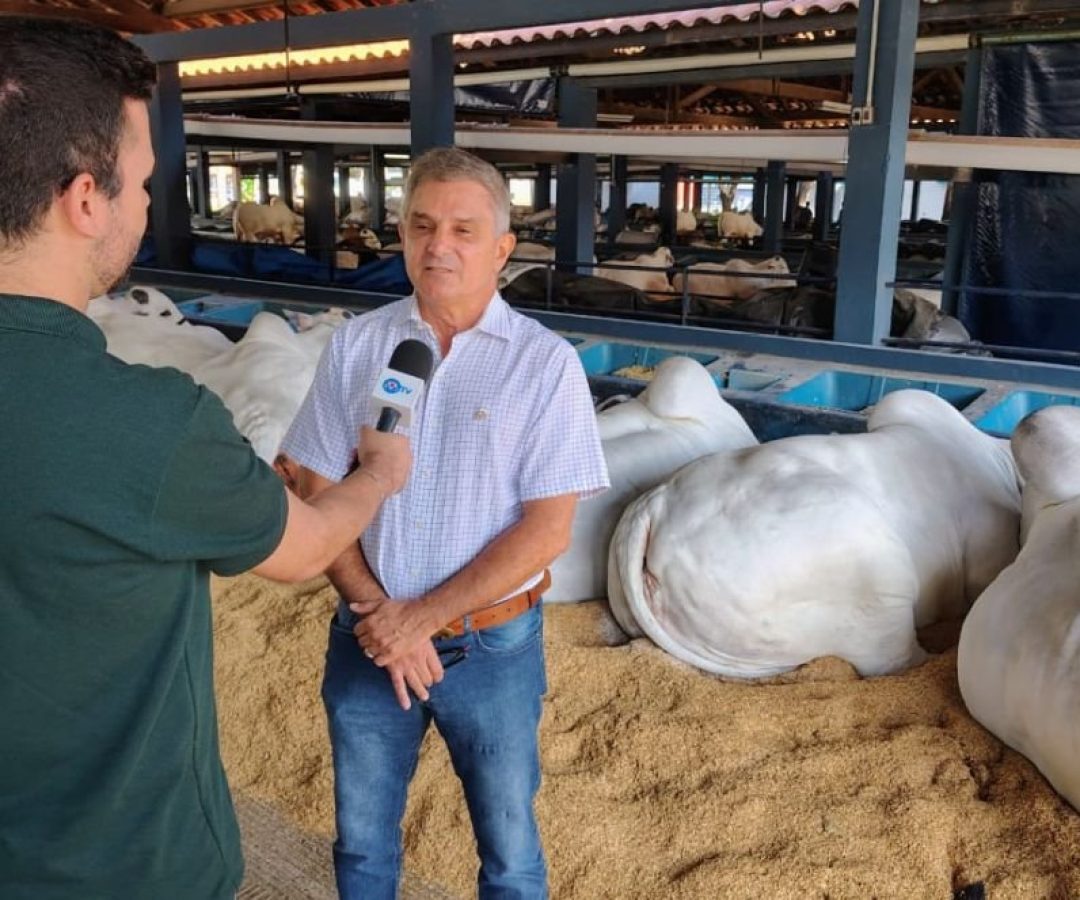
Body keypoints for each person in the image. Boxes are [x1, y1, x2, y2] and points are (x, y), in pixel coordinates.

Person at [0, 17, 411, 900]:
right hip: (122, 869)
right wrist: (377, 470)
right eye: (144, 182)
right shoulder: (147, 422)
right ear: (85, 199)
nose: (147, 206)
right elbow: (303, 552)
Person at [281, 146, 609, 899]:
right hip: (365, 636)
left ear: (501, 248)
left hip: (491, 647)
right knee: (362, 846)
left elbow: (546, 530)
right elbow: (315, 485)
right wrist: (379, 616)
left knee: (509, 853)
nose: (440, 246)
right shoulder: (360, 346)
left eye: (464, 230)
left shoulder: (545, 363)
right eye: (423, 226)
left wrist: (420, 620)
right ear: (400, 236)